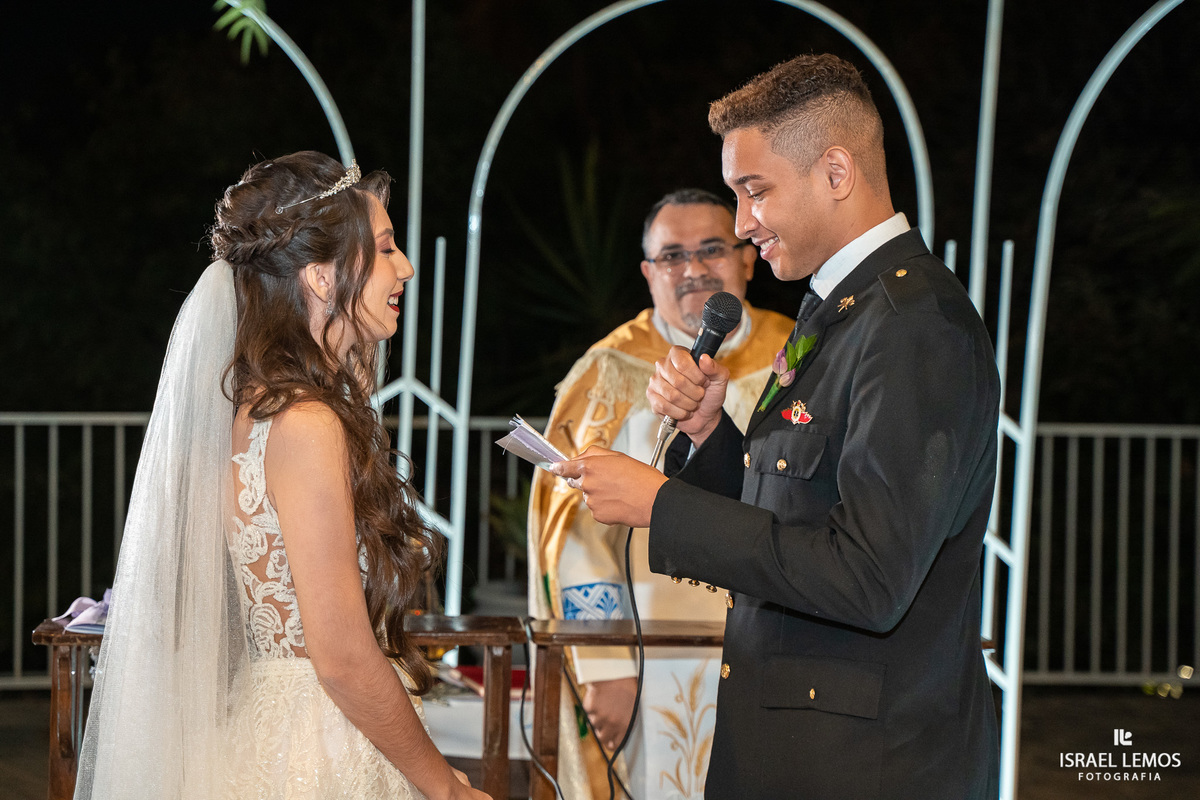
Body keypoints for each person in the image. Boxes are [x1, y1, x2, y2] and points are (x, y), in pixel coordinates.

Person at [551, 54, 1001, 799]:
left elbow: (869, 578)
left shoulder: (915, 324)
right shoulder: (840, 308)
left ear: (835, 172)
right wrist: (711, 438)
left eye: (755, 192)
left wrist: (662, 506)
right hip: (799, 751)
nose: (742, 225)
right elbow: (800, 512)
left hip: (867, 766)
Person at [74, 151, 488, 800]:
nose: (404, 266)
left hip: (274, 725)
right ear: (322, 278)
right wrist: (447, 787)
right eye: (384, 248)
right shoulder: (305, 422)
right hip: (317, 748)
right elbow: (344, 656)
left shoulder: (261, 407)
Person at [528, 189, 792, 799]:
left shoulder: (799, 356)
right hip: (650, 657)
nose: (694, 268)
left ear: (746, 259)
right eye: (672, 256)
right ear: (648, 274)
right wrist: (606, 663)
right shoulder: (608, 374)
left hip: (773, 647)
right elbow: (570, 528)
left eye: (711, 249)